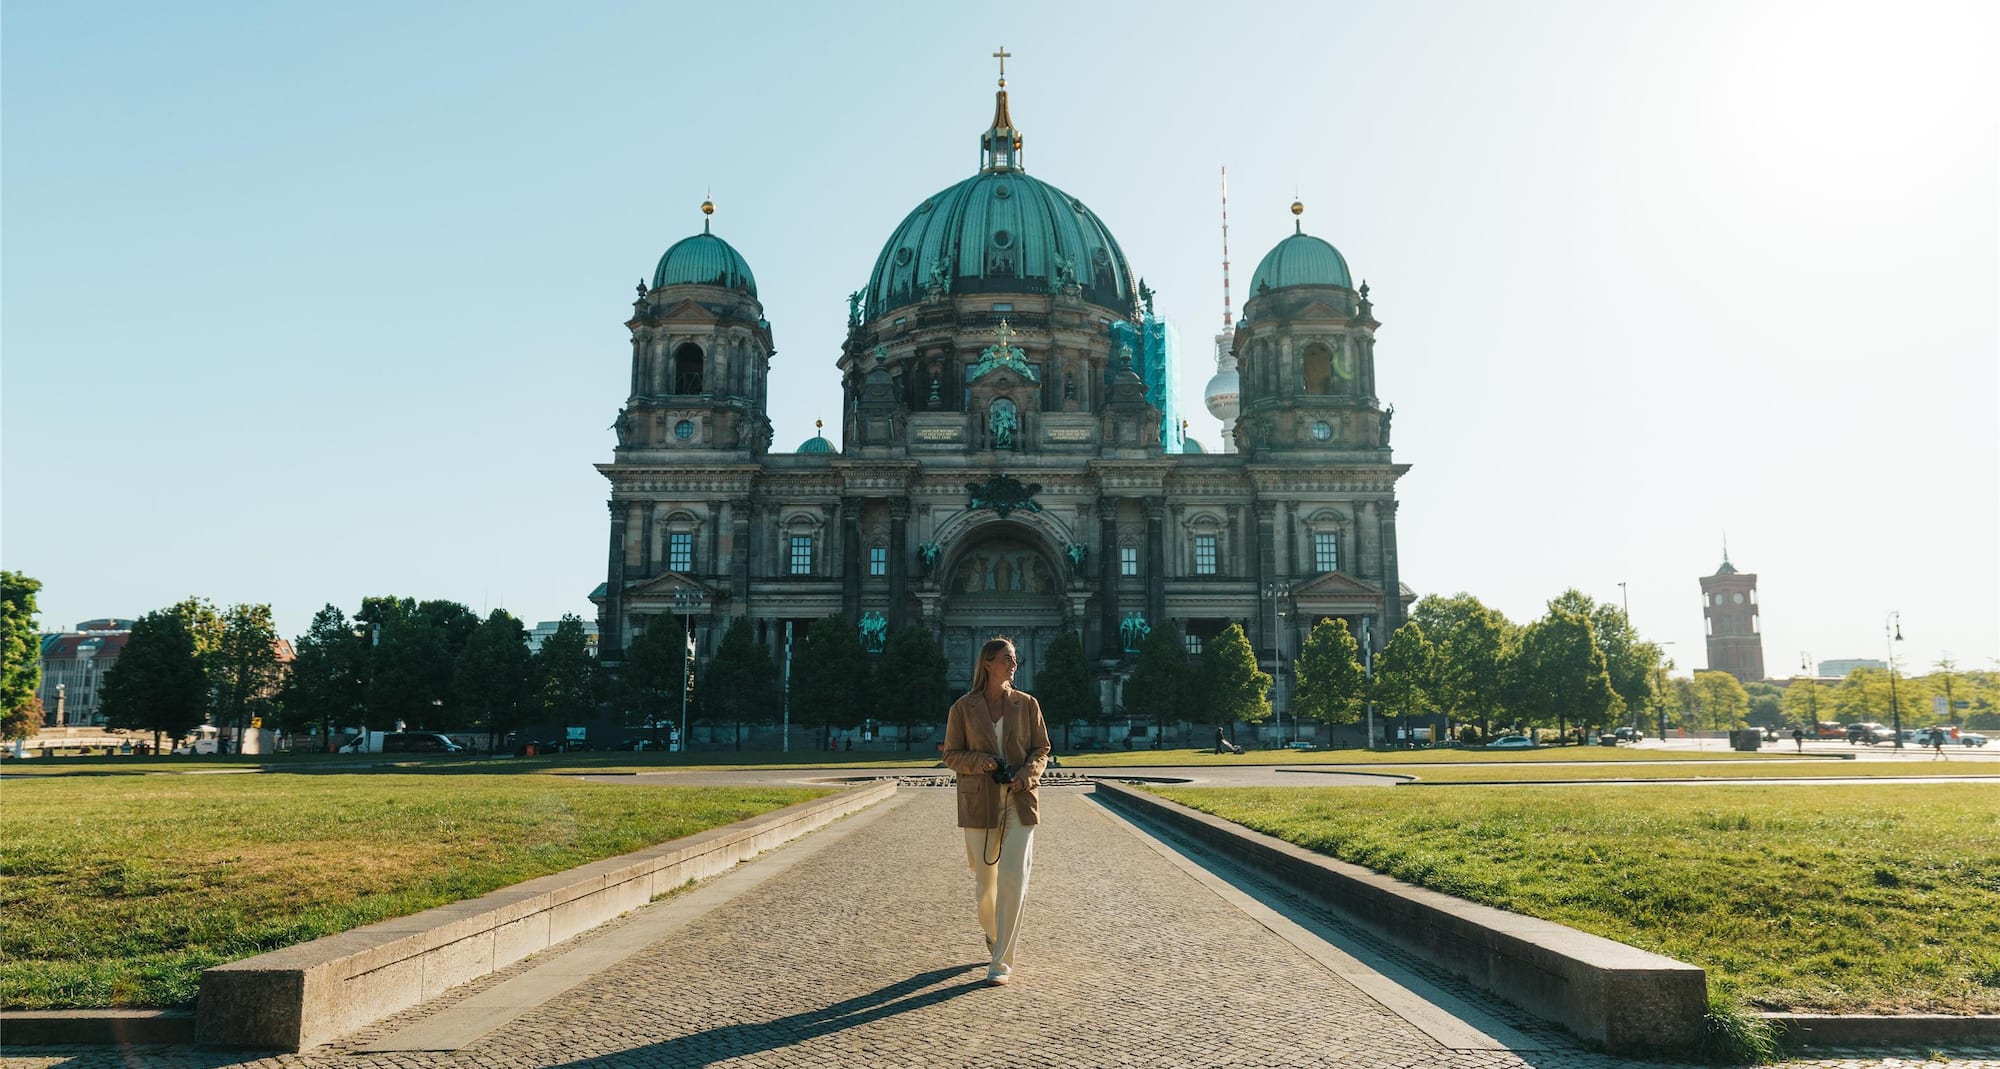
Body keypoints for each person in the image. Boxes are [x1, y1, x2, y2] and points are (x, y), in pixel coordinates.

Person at [941, 637, 1051, 987]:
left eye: (1015, 659)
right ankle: (993, 934)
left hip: (1020, 800)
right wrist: (982, 762)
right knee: (984, 885)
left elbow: (1041, 748)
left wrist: (1026, 775)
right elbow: (951, 755)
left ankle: (1001, 961)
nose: (1014, 664)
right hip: (980, 802)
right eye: (1007, 659)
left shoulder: (1028, 704)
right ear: (987, 663)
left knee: (1013, 879)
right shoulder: (962, 707)